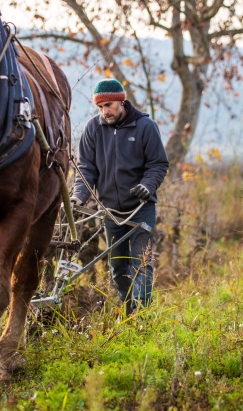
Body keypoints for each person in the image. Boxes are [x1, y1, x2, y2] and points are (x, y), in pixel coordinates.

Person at [71, 79, 169, 315]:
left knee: (141, 265)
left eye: (109, 105)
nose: (105, 111)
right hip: (110, 212)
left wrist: (147, 186)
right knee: (117, 267)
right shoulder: (92, 129)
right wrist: (78, 197)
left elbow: (158, 164)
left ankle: (141, 318)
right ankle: (129, 312)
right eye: (100, 107)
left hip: (140, 209)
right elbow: (86, 169)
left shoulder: (145, 126)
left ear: (122, 101)